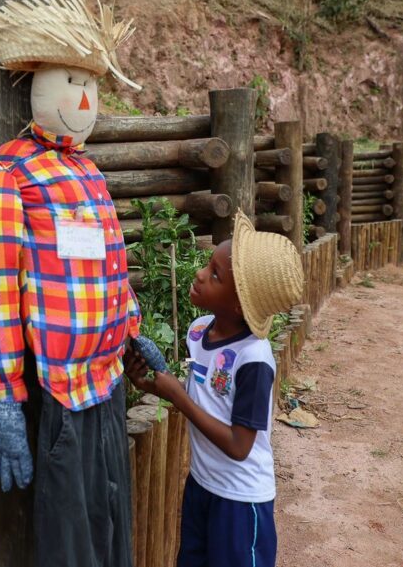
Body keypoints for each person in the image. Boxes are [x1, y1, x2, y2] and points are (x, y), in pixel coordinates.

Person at [0, 0, 143, 567]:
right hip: (57, 395)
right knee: (68, 544)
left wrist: (132, 328)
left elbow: (110, 264)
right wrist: (3, 396)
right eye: (72, 81)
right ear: (39, 85)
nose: (87, 100)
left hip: (108, 381)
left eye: (93, 84)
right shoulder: (4, 174)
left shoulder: (88, 173)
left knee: (113, 521)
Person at [124, 212, 305, 567]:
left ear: (239, 304)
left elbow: (240, 446)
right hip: (202, 487)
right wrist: (151, 385)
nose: (201, 275)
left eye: (215, 275)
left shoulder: (254, 360)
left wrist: (176, 395)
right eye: (209, 265)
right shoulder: (199, 331)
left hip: (241, 501)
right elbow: (204, 398)